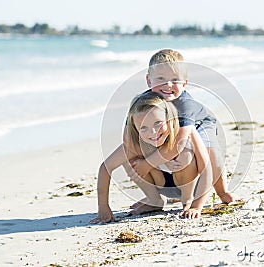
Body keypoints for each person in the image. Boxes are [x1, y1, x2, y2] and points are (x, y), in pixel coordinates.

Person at [128, 49, 236, 208]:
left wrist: (149, 163)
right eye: (160, 79)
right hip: (168, 127)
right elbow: (129, 133)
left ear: (184, 83)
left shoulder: (186, 104)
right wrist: (137, 157)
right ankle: (154, 199)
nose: (168, 85)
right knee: (132, 153)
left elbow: (180, 142)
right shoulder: (144, 102)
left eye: (175, 80)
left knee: (211, 154)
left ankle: (221, 191)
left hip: (199, 125)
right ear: (149, 81)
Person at [90, 91, 212, 224]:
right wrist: (103, 207)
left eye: (158, 123)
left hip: (190, 184)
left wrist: (196, 206)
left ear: (169, 118)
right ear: (135, 129)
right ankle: (155, 200)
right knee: (129, 159)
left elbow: (207, 169)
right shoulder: (135, 145)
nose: (153, 132)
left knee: (185, 154)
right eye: (143, 128)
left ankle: (186, 201)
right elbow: (105, 168)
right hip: (161, 183)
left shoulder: (186, 135)